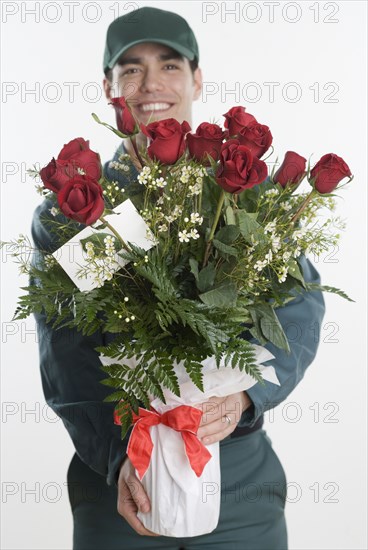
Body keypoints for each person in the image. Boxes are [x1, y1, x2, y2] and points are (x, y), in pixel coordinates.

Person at [31, 6, 325, 550]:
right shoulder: (81, 207)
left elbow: (299, 306)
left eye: (169, 66)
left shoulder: (241, 189)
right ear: (108, 87)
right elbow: (66, 352)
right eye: (130, 69)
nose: (150, 85)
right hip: (121, 478)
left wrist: (244, 398)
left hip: (237, 470)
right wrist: (120, 459)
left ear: (197, 78)